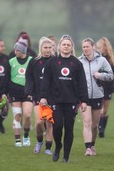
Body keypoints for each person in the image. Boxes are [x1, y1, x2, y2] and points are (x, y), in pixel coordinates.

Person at [40, 35, 88, 163]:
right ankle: (58, 147)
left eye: (68, 45)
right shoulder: (52, 62)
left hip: (71, 101)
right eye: (64, 44)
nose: (66, 46)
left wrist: (83, 101)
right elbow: (46, 81)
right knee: (57, 126)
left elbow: (82, 83)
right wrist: (43, 96)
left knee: (69, 128)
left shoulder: (77, 63)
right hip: (56, 100)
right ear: (59, 46)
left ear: (72, 47)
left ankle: (66, 155)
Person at [78, 38, 114, 156]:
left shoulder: (102, 60)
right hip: (83, 97)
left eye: (87, 46)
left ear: (93, 47)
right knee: (86, 122)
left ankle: (92, 144)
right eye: (83, 47)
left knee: (94, 125)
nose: (85, 49)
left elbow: (111, 76)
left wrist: (100, 75)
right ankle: (88, 148)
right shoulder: (79, 61)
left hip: (98, 96)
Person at [25, 37, 54, 155]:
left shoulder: (55, 61)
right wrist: (29, 92)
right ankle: (39, 141)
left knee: (49, 123)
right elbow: (29, 78)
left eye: (49, 47)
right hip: (38, 96)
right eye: (45, 47)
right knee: (39, 123)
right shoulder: (34, 61)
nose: (47, 50)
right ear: (40, 48)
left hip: (52, 97)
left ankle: (48, 148)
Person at [7, 34, 34, 147]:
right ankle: (17, 140)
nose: (15, 51)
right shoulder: (11, 61)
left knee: (27, 115)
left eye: (17, 50)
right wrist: (5, 93)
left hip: (27, 94)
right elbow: (7, 78)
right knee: (17, 116)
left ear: (22, 51)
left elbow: (34, 77)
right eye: (15, 49)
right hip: (15, 93)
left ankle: (26, 135)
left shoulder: (31, 61)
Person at [95, 37, 114, 138]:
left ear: (105, 47)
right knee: (99, 108)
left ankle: (102, 128)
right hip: (97, 87)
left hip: (108, 87)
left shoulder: (113, 59)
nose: (98, 49)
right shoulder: (95, 58)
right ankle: (99, 127)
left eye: (100, 47)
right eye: (97, 47)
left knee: (104, 110)